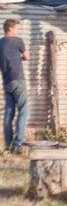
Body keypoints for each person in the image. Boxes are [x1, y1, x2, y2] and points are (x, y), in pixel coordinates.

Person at [0, 19, 29, 153]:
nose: (17, 31)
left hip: (7, 82)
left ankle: (8, 144)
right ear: (10, 28)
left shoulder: (0, 43)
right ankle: (18, 145)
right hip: (18, 80)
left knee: (9, 113)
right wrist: (20, 57)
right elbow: (26, 57)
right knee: (23, 111)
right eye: (16, 28)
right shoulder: (17, 40)